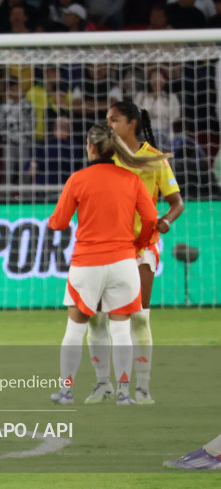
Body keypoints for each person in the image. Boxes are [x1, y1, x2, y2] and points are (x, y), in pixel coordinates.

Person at [48, 123, 166, 406]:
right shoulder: (131, 180)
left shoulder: (78, 179)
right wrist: (137, 243)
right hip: (124, 263)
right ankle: (124, 394)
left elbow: (59, 222)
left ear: (91, 147)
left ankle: (66, 391)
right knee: (121, 329)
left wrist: (55, 219)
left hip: (87, 264)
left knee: (75, 329)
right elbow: (151, 218)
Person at [83, 103, 184, 405]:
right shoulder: (106, 159)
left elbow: (176, 202)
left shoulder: (154, 159)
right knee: (97, 318)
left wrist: (165, 220)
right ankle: (103, 384)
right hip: (108, 246)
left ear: (132, 123)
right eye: (107, 120)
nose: (109, 125)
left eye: (114, 120)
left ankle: (143, 387)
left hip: (142, 246)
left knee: (139, 318)